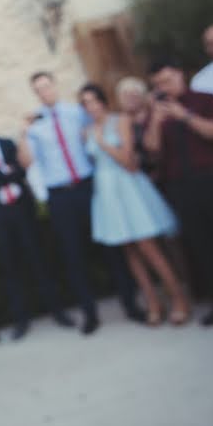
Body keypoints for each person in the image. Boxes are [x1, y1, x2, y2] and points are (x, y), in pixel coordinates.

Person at [22, 71, 142, 335]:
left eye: (47, 86)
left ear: (55, 86)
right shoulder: (36, 124)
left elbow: (101, 131)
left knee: (111, 246)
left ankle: (131, 304)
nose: (44, 92)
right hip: (60, 195)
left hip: (88, 187)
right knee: (73, 256)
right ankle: (90, 314)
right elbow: (27, 163)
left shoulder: (78, 112)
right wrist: (25, 133)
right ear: (36, 93)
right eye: (39, 90)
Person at [78, 84, 190, 326]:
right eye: (85, 103)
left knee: (149, 247)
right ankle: (153, 302)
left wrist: (104, 143)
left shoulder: (121, 121)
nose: (91, 106)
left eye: (93, 100)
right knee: (129, 251)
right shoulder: (85, 131)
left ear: (103, 101)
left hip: (129, 189)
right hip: (107, 194)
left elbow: (128, 162)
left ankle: (179, 298)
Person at [144, 58, 213, 326]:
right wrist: (156, 121)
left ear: (180, 74)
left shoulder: (205, 99)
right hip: (182, 186)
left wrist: (184, 115)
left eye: (167, 80)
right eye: (158, 84)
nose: (164, 86)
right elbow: (152, 150)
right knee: (203, 245)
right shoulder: (158, 112)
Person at [0, 110, 72, 339]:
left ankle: (58, 311)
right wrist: (5, 173)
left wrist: (1, 175)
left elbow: (21, 169)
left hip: (21, 211)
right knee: (10, 268)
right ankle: (21, 320)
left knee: (39, 260)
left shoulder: (7, 143)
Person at [116, 76, 158, 177]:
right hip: (139, 175)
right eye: (125, 95)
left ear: (142, 96)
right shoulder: (119, 121)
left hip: (161, 169)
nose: (129, 99)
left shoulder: (153, 115)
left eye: (133, 95)